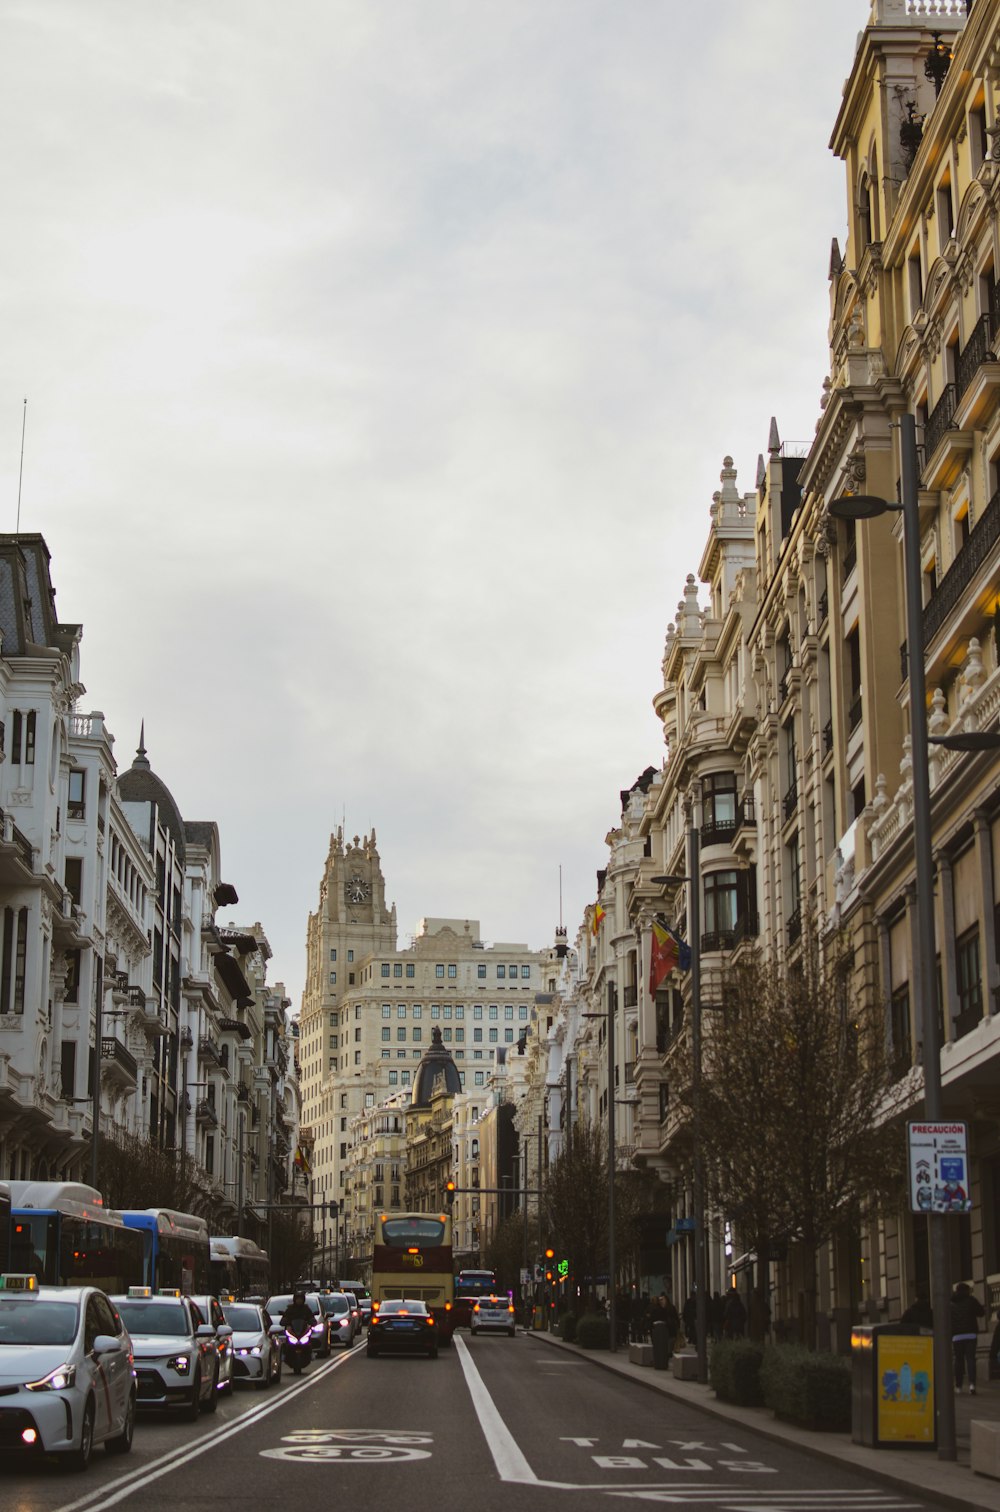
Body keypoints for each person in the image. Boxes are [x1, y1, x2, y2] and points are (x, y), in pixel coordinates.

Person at [951, 1281, 984, 1394]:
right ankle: (972, 1385)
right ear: (966, 1290)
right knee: (970, 1359)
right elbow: (981, 1312)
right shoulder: (971, 1300)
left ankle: (958, 1386)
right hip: (970, 1334)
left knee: (958, 1361)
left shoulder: (951, 1302)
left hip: (956, 1336)